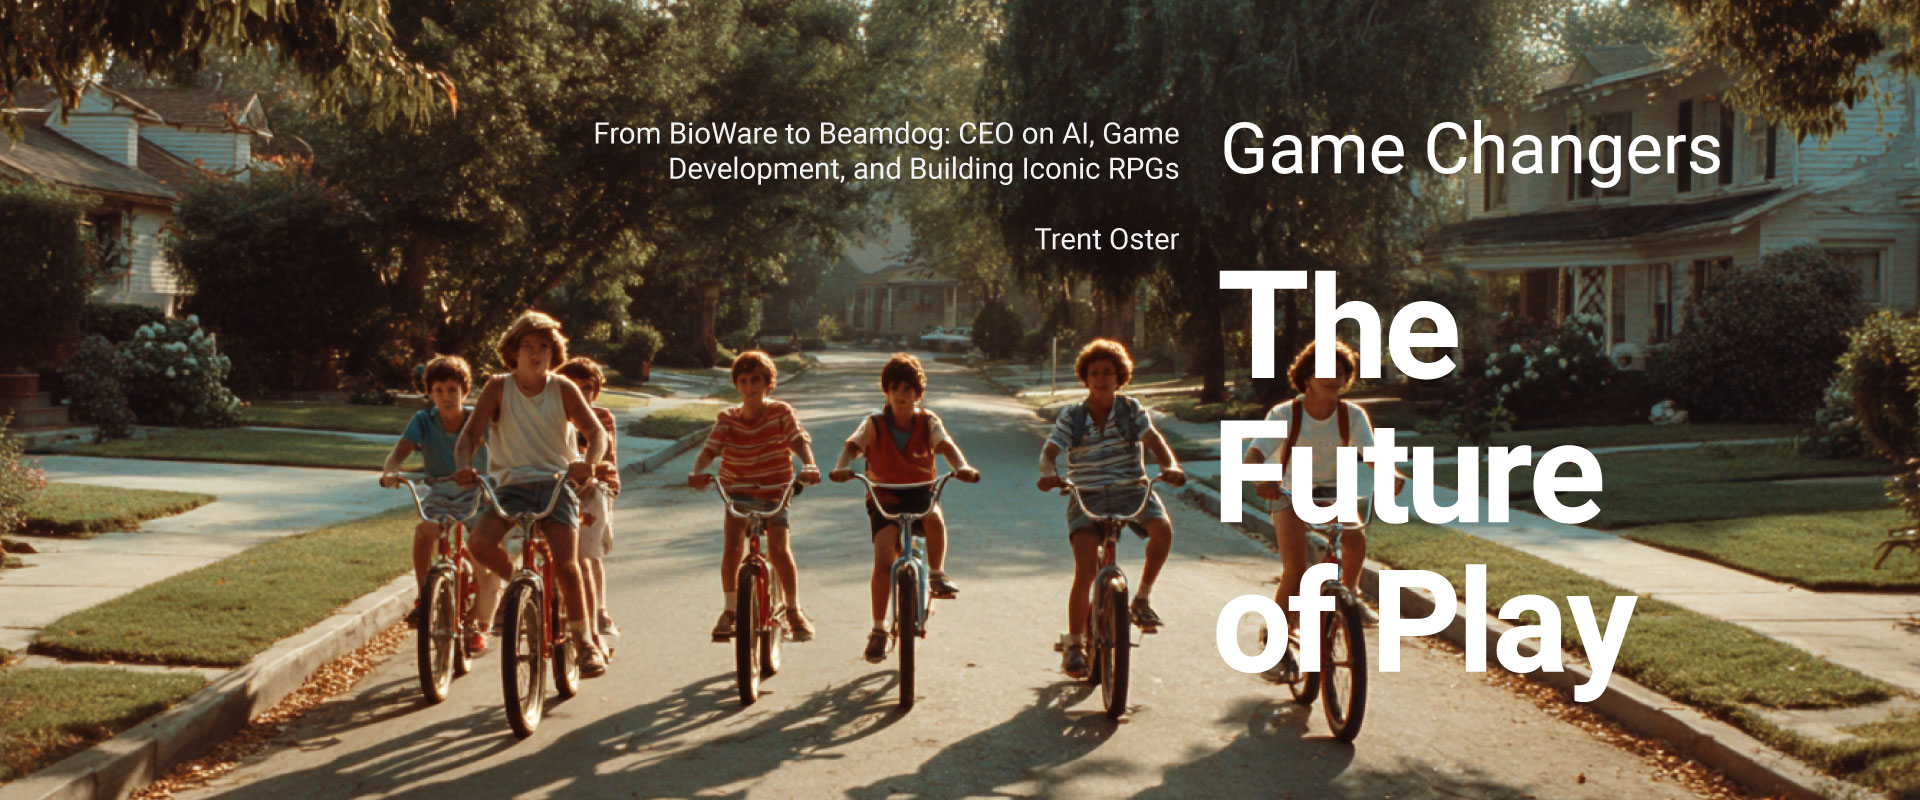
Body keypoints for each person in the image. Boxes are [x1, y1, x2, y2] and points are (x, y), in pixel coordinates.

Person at [454, 311, 610, 677]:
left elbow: (596, 432)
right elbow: (469, 436)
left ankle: (583, 640)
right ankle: (523, 583)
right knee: (479, 543)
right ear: (513, 351)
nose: (535, 353)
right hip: (510, 488)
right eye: (528, 346)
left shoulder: (563, 388)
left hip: (555, 485)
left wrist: (588, 462)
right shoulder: (497, 387)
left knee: (568, 565)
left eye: (543, 347)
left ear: (553, 353)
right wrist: (463, 464)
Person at [1242, 339, 1404, 681]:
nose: (1334, 378)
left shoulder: (1352, 415)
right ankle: (1276, 642)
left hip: (1334, 490)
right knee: (1297, 570)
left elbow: (1371, 453)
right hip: (1288, 491)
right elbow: (1255, 453)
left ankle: (1349, 596)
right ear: (1308, 377)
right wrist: (1261, 479)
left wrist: (1389, 473)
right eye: (1325, 372)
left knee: (1355, 537)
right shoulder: (1286, 414)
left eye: (1341, 372)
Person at [1035, 339, 1185, 679]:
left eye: (1108, 373)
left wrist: (1170, 465)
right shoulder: (1072, 416)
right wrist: (1048, 473)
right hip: (1087, 493)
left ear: (1120, 377)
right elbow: (1049, 452)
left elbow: (1155, 441)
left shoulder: (1131, 410)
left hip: (1132, 489)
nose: (1101, 379)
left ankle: (1142, 598)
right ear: (1085, 378)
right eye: (1094, 373)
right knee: (1086, 566)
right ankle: (1075, 644)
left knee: (1162, 530)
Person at [828, 353, 981, 663]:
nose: (902, 395)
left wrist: (962, 466)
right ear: (886, 391)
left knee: (935, 518)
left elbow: (947, 446)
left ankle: (936, 574)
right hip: (884, 498)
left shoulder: (928, 421)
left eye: (909, 389)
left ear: (918, 394)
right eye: (896, 387)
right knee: (884, 558)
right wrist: (841, 468)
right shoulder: (873, 423)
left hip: (920, 493)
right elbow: (851, 448)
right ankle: (879, 630)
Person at [688, 350, 822, 642]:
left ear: (769, 383)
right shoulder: (728, 417)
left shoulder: (780, 412)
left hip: (775, 491)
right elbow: (710, 449)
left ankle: (792, 609)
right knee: (733, 548)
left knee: (778, 549)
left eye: (757, 380)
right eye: (745, 380)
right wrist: (698, 471)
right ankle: (730, 608)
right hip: (737, 490)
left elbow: (797, 439)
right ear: (737, 384)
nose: (751, 387)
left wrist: (809, 464)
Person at [379, 355, 499, 655]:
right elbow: (400, 452)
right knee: (424, 532)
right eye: (439, 390)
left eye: (453, 390)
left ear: (465, 393)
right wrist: (391, 471)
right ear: (430, 393)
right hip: (440, 494)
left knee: (485, 561)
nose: (446, 397)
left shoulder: (478, 420)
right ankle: (424, 596)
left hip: (478, 494)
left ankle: (480, 626)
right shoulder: (423, 421)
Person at [554, 356, 622, 658]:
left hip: (595, 488)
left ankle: (599, 615)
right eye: (574, 387)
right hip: (560, 488)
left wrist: (595, 470)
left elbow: (606, 454)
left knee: (587, 554)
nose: (582, 394)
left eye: (588, 388)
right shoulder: (554, 415)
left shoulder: (602, 417)